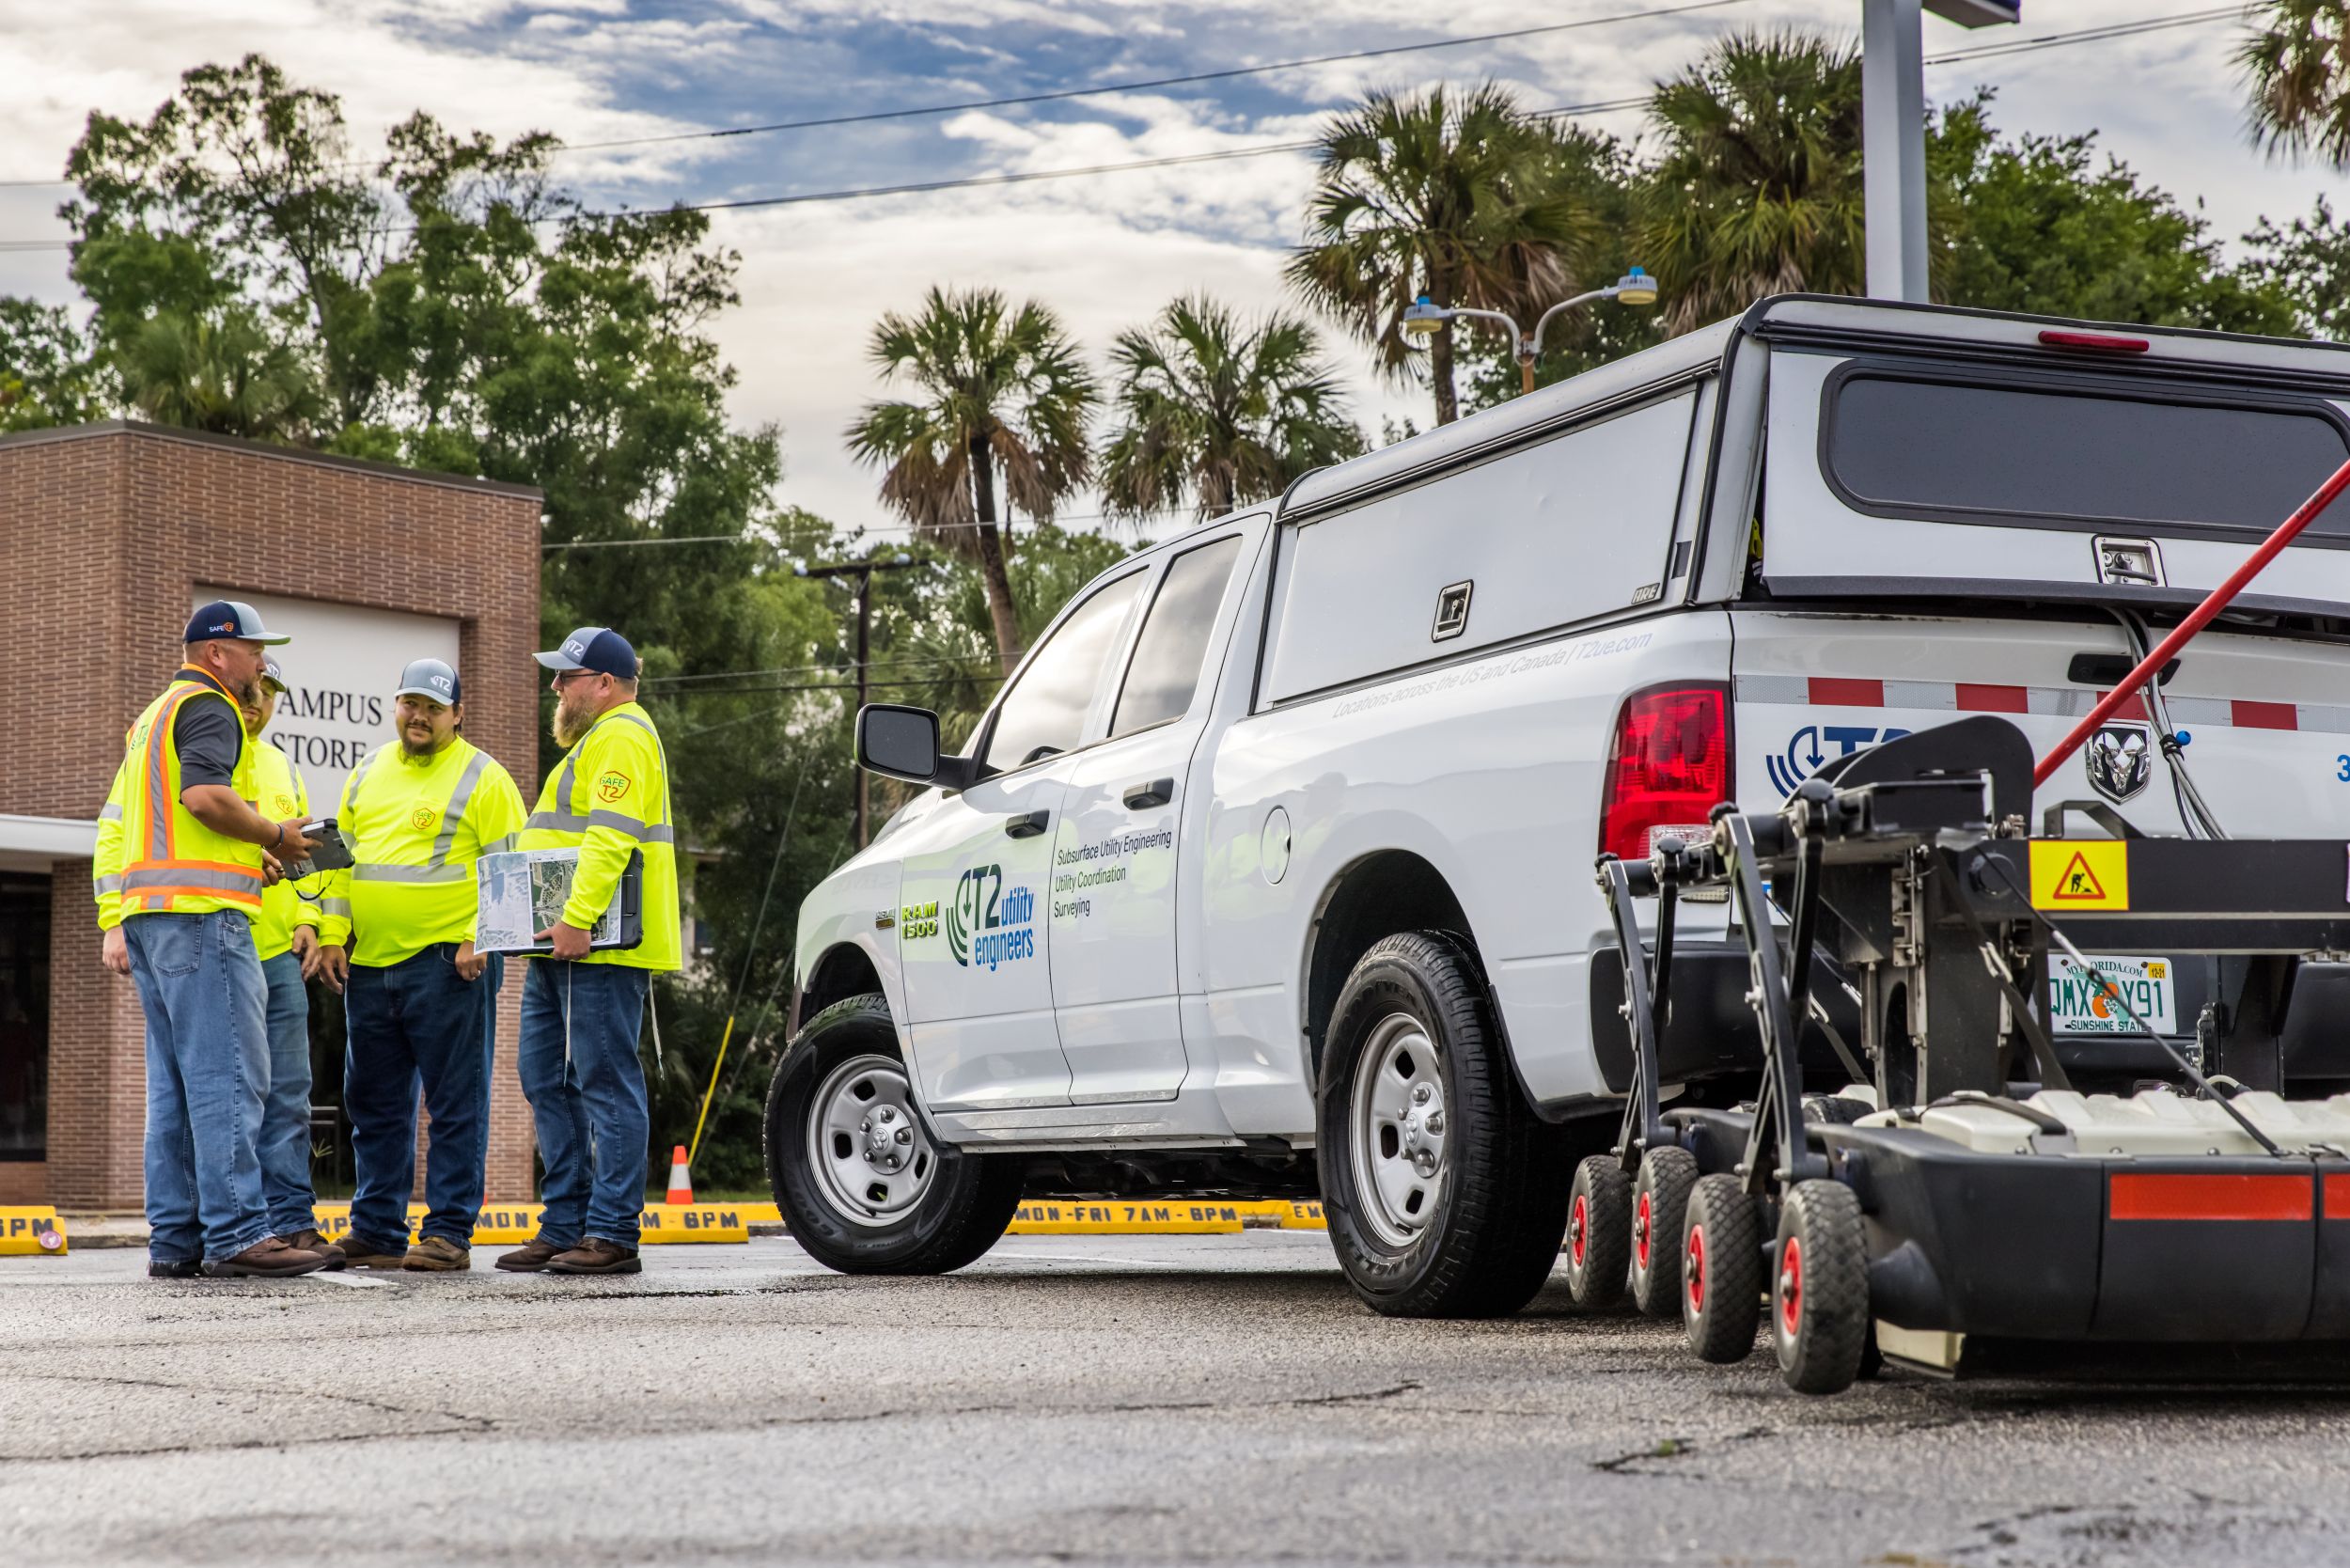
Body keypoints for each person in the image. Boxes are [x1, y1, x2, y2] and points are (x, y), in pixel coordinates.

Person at [93, 602, 335, 1278]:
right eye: (253, 651)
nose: (261, 663)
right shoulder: (211, 705)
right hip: (201, 918)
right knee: (230, 1078)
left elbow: (171, 821)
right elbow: (205, 797)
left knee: (173, 1086)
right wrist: (276, 835)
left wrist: (243, 855)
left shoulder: (153, 716)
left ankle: (176, 1240)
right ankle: (238, 1232)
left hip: (150, 915)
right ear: (217, 654)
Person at [320, 659, 526, 1271]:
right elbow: (339, 864)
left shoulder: (485, 778)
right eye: (411, 703)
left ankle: (448, 1233)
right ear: (396, 706)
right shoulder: (365, 774)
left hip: (448, 965)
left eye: (433, 708)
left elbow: (509, 871)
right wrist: (333, 934)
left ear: (457, 715)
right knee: (374, 1104)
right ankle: (377, 1229)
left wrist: (479, 938)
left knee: (455, 1103)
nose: (419, 717)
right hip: (371, 965)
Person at [499, 627, 680, 1277]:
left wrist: (575, 919)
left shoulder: (623, 736)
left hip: (597, 944)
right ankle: (566, 1224)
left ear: (603, 683)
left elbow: (610, 841)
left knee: (602, 1083)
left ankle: (610, 1233)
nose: (554, 687)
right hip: (564, 944)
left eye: (565, 676)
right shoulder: (598, 741)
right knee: (545, 1077)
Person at [235, 656, 346, 1262]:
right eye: (252, 689)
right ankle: (235, 1224)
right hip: (222, 946)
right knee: (234, 1094)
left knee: (290, 1093)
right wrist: (112, 919)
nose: (259, 700)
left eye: (269, 692)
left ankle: (292, 1223)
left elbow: (307, 859)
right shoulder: (207, 750)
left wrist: (309, 922)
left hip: (278, 952)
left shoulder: (282, 765)